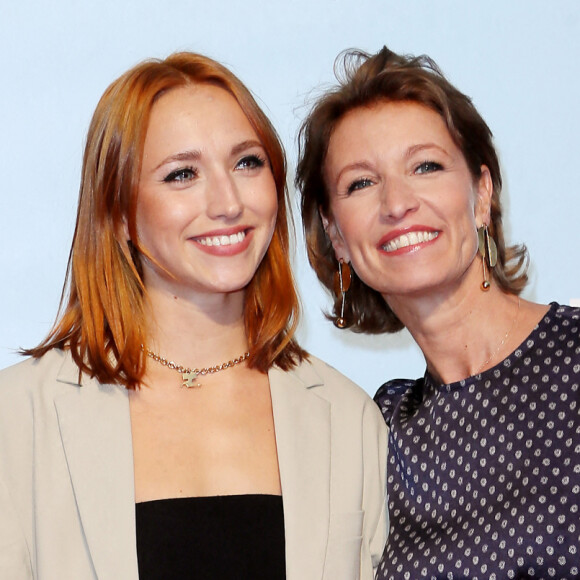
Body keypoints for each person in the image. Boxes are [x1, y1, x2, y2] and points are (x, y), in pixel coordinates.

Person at [0, 52, 387, 580]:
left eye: (248, 163)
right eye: (182, 174)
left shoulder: (349, 418)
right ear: (118, 214)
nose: (228, 202)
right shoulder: (19, 418)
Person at [296, 46, 580, 579]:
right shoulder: (376, 433)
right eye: (361, 183)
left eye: (425, 166)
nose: (396, 203)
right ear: (336, 235)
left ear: (480, 194)